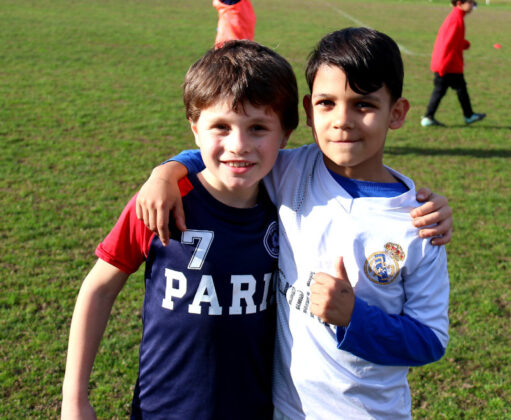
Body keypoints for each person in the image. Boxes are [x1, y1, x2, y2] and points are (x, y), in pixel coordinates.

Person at [136, 28, 452, 419]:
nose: (343, 121)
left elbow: (431, 340)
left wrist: (354, 318)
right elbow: (231, 150)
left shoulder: (419, 223)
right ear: (307, 110)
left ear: (398, 113)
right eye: (327, 103)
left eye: (364, 105)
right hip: (281, 408)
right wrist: (168, 171)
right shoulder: (292, 170)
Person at [61, 40, 300, 420]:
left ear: (285, 135)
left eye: (258, 128)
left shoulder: (290, 206)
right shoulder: (161, 202)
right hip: (161, 410)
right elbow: (99, 288)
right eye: (220, 127)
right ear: (195, 130)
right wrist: (74, 400)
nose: (238, 145)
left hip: (255, 410)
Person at [421, 0, 486, 127]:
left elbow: (453, 40)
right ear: (460, 3)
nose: (473, 5)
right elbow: (446, 44)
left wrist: (463, 43)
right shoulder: (456, 19)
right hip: (447, 65)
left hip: (448, 64)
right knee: (452, 89)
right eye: (471, 2)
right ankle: (467, 116)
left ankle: (467, 115)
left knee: (452, 89)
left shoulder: (457, 17)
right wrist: (442, 66)